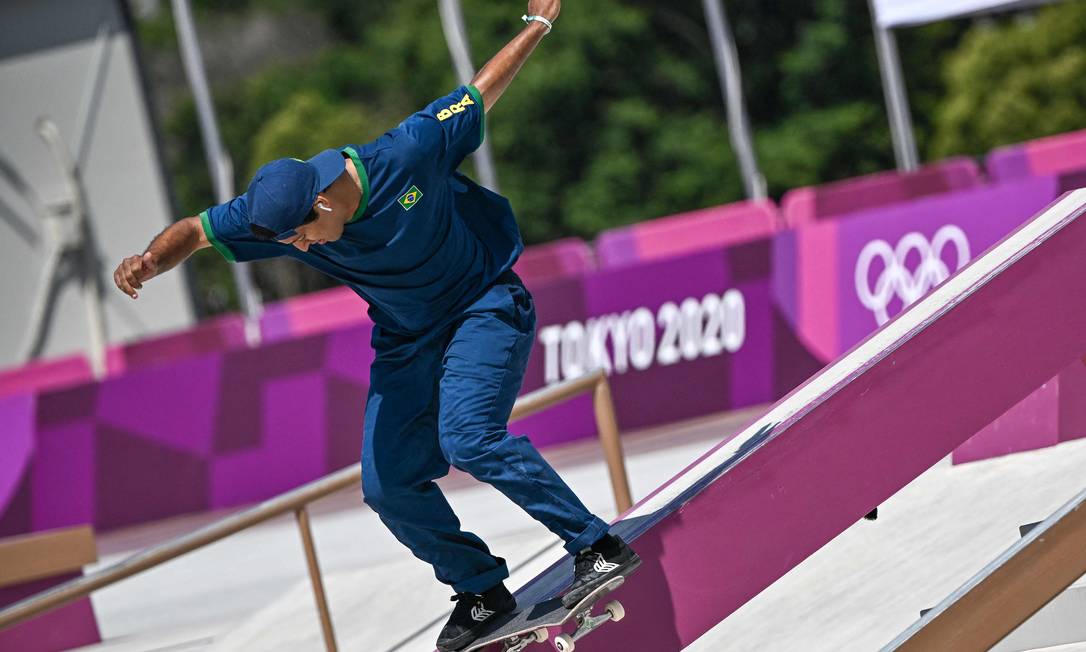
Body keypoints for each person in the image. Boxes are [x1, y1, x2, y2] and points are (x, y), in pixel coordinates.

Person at [112, 2, 639, 649]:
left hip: (483, 306)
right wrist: (148, 260)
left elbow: (481, 93)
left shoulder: (409, 152)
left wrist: (537, 24)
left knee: (469, 437)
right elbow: (197, 230)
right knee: (386, 483)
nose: (301, 247)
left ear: (327, 196)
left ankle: (597, 544)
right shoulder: (274, 212)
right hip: (406, 340)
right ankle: (479, 588)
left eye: (305, 232)